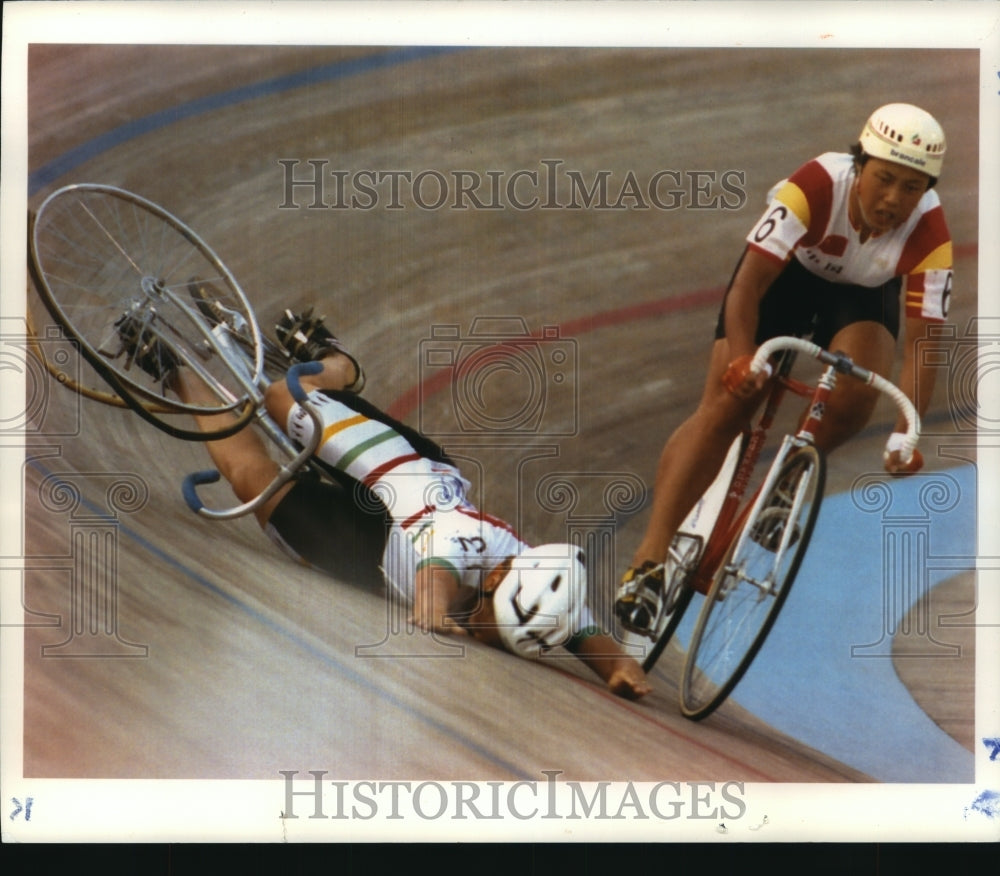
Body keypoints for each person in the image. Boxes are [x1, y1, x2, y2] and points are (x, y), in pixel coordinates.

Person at [120, 294, 651, 699]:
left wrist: (622, 672)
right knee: (283, 397)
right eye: (497, 628)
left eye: (507, 639)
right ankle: (339, 366)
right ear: (494, 578)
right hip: (396, 468)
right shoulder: (466, 547)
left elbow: (591, 643)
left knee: (251, 481)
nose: (494, 640)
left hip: (369, 550)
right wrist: (432, 611)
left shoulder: (540, 593)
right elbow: (432, 580)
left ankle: (170, 368)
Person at [616, 102, 953, 636]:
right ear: (859, 164)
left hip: (861, 298)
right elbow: (748, 286)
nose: (893, 199)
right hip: (786, 279)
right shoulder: (816, 184)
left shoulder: (930, 233)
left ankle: (789, 481)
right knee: (728, 405)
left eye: (911, 188)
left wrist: (905, 433)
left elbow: (923, 347)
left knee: (855, 396)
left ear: (926, 190)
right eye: (884, 179)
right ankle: (649, 560)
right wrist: (745, 358)